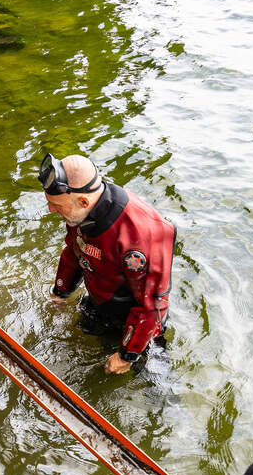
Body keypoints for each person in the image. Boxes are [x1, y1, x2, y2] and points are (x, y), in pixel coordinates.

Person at [39, 152, 175, 374]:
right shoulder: (79, 213)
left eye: (56, 205)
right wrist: (60, 294)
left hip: (139, 321)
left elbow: (152, 304)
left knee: (152, 380)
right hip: (100, 301)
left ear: (84, 201)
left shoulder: (141, 233)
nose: (51, 210)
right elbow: (73, 251)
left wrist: (127, 355)